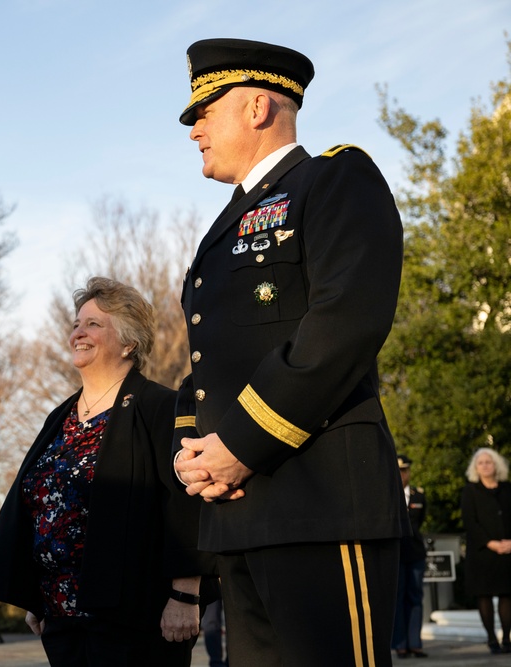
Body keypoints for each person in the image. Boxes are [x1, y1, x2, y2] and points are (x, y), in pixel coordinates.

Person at [171, 38, 408, 666]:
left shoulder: (333, 179)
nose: (192, 128)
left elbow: (346, 323)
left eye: (203, 111)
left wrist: (238, 445)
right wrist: (193, 454)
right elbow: (210, 363)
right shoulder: (223, 227)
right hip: (240, 514)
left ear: (256, 107)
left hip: (321, 503)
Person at [0, 277, 213, 667]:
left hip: (134, 619)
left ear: (129, 342)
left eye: (94, 324)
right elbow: (34, 504)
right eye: (75, 324)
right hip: (61, 615)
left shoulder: (160, 406)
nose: (78, 333)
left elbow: (187, 505)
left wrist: (186, 595)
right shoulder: (60, 417)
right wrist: (34, 593)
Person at [461, 447, 511, 654]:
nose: (484, 465)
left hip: (508, 551)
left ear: (496, 464)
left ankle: (507, 639)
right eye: (480, 463)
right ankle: (491, 639)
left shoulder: (508, 488)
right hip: (482, 553)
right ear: (475, 468)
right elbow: (470, 522)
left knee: (507, 594)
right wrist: (491, 543)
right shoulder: (469, 491)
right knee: (484, 596)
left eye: (488, 462)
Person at [393, 455, 428, 659]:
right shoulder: (386, 494)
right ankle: (400, 644)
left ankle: (415, 643)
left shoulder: (419, 496)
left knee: (415, 597)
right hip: (396, 554)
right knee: (397, 598)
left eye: (404, 470)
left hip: (415, 553)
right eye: (398, 471)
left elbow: (419, 522)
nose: (401, 474)